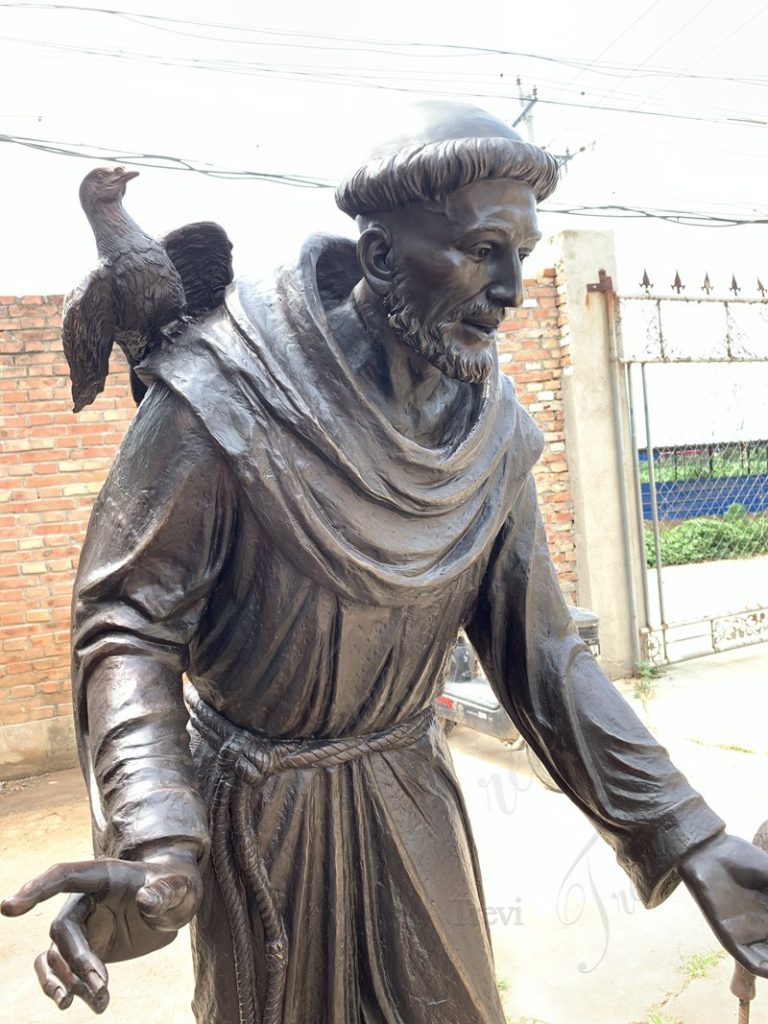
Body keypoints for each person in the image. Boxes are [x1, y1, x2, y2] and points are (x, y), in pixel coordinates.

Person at [4, 101, 768, 1024]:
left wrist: (690, 835)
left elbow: (549, 660)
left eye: (523, 255)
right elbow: (128, 620)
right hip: (263, 830)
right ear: (377, 258)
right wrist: (159, 831)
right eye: (483, 250)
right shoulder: (223, 393)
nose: (513, 290)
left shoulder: (493, 435)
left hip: (412, 804)